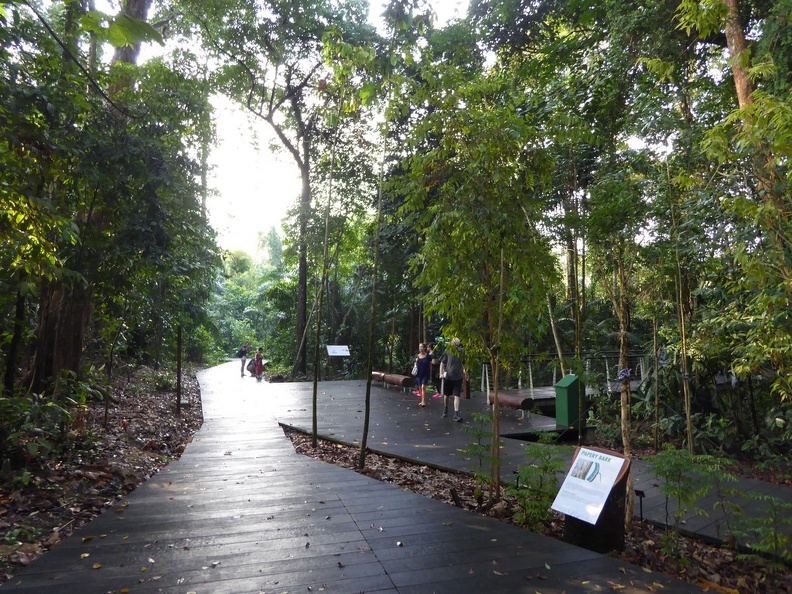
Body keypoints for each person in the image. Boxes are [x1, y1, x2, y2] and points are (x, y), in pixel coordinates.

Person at [439, 337, 464, 422]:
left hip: (458, 377)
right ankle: (445, 408)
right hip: (448, 377)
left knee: (457, 395)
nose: (456, 346)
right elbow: (442, 363)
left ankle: (456, 414)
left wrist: (466, 373)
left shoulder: (461, 352)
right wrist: (441, 373)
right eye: (454, 344)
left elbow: (464, 363)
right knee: (446, 395)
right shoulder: (447, 351)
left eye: (457, 344)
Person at [413, 342, 433, 407]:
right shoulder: (417, 356)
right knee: (419, 388)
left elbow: (430, 365)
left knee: (423, 387)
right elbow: (415, 364)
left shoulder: (428, 356)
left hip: (426, 373)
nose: (420, 348)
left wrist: (430, 373)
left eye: (421, 347)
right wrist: (415, 362)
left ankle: (423, 401)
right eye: (419, 347)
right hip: (419, 374)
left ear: (424, 348)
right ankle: (421, 400)